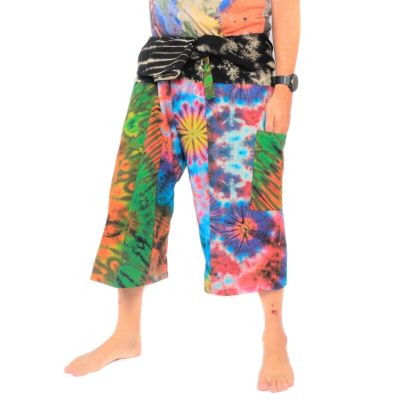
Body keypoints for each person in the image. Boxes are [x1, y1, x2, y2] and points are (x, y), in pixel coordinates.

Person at [64, 0, 300, 393]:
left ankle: (274, 334)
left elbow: (287, 6)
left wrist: (284, 86)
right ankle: (126, 333)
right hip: (161, 69)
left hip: (237, 77)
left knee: (252, 210)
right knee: (134, 197)